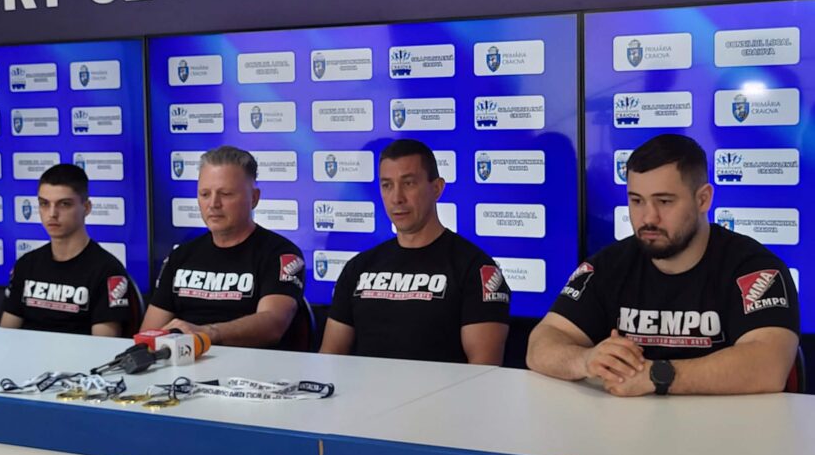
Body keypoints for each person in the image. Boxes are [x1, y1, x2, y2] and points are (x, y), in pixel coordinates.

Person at [527, 133, 799, 396]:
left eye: (664, 201)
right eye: (636, 201)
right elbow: (542, 343)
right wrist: (586, 360)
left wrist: (658, 376)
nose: (648, 217)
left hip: (729, 433)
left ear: (703, 199)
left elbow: (769, 365)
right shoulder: (609, 265)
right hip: (626, 432)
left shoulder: (754, 268)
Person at [320, 139, 510, 364]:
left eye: (408, 183)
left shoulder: (475, 269)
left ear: (437, 188)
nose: (396, 198)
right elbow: (330, 359)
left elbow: (484, 372)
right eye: (387, 185)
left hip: (442, 399)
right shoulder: (358, 267)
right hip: (364, 397)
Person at [140, 146, 304, 347]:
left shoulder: (280, 255)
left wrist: (206, 334)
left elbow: (273, 324)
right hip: (182, 371)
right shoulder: (181, 256)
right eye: (205, 194)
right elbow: (148, 333)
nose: (213, 204)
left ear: (254, 198)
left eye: (225, 194)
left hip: (252, 371)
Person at [0, 164, 132, 336]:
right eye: (44, 204)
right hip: (25, 360)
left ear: (86, 208)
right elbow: (4, 335)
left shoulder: (107, 270)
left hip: (80, 361)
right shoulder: (27, 264)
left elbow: (104, 346)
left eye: (64, 204)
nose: (52, 214)